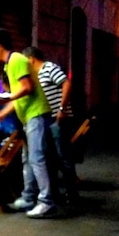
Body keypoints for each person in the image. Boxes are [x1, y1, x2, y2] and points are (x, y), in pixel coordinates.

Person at [0, 29, 59, 219]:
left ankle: (46, 202)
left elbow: (27, 87)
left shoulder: (17, 60)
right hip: (29, 116)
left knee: (37, 158)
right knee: (29, 158)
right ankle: (28, 197)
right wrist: (0, 115)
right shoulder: (10, 64)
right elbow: (17, 96)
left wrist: (4, 99)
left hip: (36, 114)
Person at [24, 47, 79, 205]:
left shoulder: (49, 68)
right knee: (50, 157)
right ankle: (55, 193)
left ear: (31, 59)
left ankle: (72, 193)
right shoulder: (35, 75)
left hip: (58, 119)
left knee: (63, 157)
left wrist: (62, 108)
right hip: (47, 120)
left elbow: (66, 83)